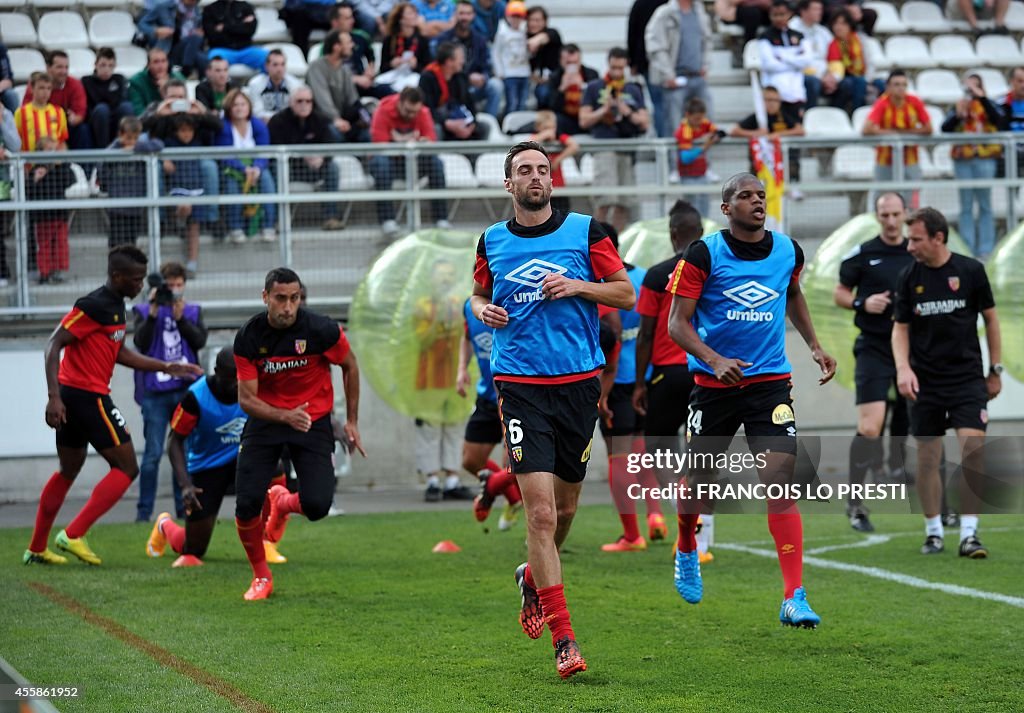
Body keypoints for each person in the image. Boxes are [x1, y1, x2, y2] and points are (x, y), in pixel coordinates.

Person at [470, 140, 635, 678]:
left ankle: (531, 578)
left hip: (578, 385)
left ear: (551, 180)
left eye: (543, 169)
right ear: (508, 184)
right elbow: (475, 295)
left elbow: (625, 294)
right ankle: (565, 641)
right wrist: (482, 308)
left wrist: (577, 286)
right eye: (525, 170)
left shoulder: (587, 232)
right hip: (519, 385)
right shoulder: (491, 240)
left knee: (564, 513)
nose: (536, 177)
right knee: (539, 513)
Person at [666, 172, 836, 626]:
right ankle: (685, 545)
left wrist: (815, 345)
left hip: (769, 387)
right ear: (726, 208)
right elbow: (676, 325)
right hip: (713, 389)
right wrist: (714, 358)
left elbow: (793, 293)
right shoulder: (703, 254)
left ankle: (794, 595)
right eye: (745, 196)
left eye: (761, 196)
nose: (756, 202)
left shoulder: (787, 251)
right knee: (698, 489)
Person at [23, 246, 203, 566]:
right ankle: (74, 534)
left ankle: (37, 547)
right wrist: (53, 396)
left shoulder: (118, 306)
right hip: (86, 397)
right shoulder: (93, 305)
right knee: (127, 467)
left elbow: (120, 353)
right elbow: (54, 344)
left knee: (68, 470)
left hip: (76, 397)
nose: (140, 285)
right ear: (117, 276)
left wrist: (167, 366)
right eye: (135, 280)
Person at [233, 267, 366, 600]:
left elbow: (350, 365)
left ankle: (282, 502)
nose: (288, 307)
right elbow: (246, 399)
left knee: (319, 505)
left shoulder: (321, 329)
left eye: (294, 299)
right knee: (247, 504)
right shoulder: (249, 336)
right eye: (280, 299)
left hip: (312, 421)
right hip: (266, 421)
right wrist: (283, 415)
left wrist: (351, 421)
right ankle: (261, 577)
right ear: (266, 297)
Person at [893, 207, 1002, 558]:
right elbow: (900, 328)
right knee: (927, 459)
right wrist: (903, 369)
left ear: (938, 238)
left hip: (968, 380)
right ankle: (933, 532)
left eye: (916, 239)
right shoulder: (909, 277)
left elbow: (992, 319)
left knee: (973, 451)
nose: (910, 246)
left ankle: (970, 534)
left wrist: (995, 369)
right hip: (925, 383)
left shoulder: (970, 271)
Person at [833, 192, 913, 533]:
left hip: (912, 351)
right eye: (885, 215)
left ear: (905, 215)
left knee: (921, 419)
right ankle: (854, 503)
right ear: (877, 216)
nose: (891, 221)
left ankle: (935, 503)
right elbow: (840, 293)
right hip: (874, 348)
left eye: (896, 214)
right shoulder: (864, 253)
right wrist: (862, 304)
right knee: (869, 426)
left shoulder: (917, 250)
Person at [633, 200, 708, 560]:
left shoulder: (655, 275)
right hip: (705, 373)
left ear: (672, 233)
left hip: (667, 373)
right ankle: (702, 534)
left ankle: (681, 498)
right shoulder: (714, 273)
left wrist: (638, 383)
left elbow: (646, 334)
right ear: (702, 233)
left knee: (658, 448)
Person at [597, 225, 668, 552]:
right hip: (649, 378)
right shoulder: (643, 278)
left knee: (619, 458)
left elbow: (608, 333)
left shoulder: (599, 285)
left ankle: (631, 534)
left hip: (616, 382)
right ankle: (656, 516)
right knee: (643, 453)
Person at [146, 348, 246, 567]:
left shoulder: (251, 386)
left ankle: (269, 541)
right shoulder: (196, 397)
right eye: (231, 378)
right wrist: (185, 485)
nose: (237, 384)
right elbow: (174, 441)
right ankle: (165, 525)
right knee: (193, 550)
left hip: (241, 458)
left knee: (274, 468)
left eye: (240, 377)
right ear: (217, 372)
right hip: (208, 466)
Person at [132, 261, 207, 522]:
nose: (174, 290)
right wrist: (154, 310)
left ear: (184, 285)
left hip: (184, 392)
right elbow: (140, 342)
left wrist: (181, 318)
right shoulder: (144, 309)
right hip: (155, 393)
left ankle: (183, 510)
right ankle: (143, 514)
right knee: (152, 454)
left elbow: (199, 341)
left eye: (178, 285)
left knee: (182, 454)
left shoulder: (193, 310)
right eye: (170, 285)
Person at [457, 296, 523, 529]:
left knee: (520, 464)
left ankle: (539, 538)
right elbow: (466, 337)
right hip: (487, 396)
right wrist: (462, 368)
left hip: (517, 396)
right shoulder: (469, 306)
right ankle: (513, 499)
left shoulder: (514, 304)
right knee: (471, 460)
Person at [579, 47, 650, 232]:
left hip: (627, 149)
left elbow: (644, 122)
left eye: (620, 68)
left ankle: (616, 243)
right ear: (608, 64)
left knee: (624, 201)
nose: (617, 72)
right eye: (614, 67)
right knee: (604, 199)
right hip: (604, 147)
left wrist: (627, 111)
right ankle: (596, 241)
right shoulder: (595, 87)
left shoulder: (633, 89)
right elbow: (584, 120)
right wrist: (604, 110)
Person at [368, 86, 451, 239]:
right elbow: (380, 146)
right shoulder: (383, 110)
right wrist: (409, 141)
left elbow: (429, 143)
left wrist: (400, 140)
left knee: (436, 163)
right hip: (389, 163)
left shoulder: (423, 112)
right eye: (407, 111)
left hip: (413, 161)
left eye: (415, 112)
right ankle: (388, 220)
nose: (411, 115)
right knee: (381, 163)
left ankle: (441, 219)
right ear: (399, 102)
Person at [942, 73, 1005, 260]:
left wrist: (982, 98)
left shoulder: (989, 105)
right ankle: (966, 249)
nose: (972, 92)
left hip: (985, 159)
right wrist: (959, 114)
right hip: (963, 160)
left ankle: (986, 249)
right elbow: (945, 127)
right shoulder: (959, 105)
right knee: (966, 206)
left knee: (985, 205)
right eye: (968, 88)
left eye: (975, 87)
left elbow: (999, 120)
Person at [268, 86, 347, 231]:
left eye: (308, 101)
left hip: (314, 168)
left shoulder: (320, 119)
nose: (304, 104)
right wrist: (302, 156)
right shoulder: (278, 121)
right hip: (289, 168)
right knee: (277, 169)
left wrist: (322, 158)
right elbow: (275, 149)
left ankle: (331, 217)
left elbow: (331, 145)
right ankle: (279, 219)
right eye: (299, 101)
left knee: (332, 168)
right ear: (291, 102)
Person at [215, 89, 278, 244]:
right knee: (232, 185)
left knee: (267, 180)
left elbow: (264, 151)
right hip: (232, 167)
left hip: (256, 167)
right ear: (229, 108)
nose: (239, 108)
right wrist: (243, 169)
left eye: (243, 104)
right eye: (235, 105)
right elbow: (223, 154)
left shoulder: (257, 125)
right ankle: (235, 227)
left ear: (249, 106)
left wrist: (256, 168)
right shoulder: (223, 126)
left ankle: (268, 226)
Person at [862, 69, 931, 208]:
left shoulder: (914, 102)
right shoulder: (882, 103)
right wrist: (895, 133)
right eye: (897, 84)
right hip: (885, 159)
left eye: (904, 85)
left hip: (911, 158)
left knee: (912, 198)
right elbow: (866, 129)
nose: (901, 88)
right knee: (881, 197)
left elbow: (928, 128)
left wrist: (901, 134)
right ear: (888, 87)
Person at [645, 0, 713, 139]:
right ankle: (674, 160)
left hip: (697, 76)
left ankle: (703, 159)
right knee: (674, 128)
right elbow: (655, 46)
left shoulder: (699, 12)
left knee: (707, 123)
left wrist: (705, 65)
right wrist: (668, 74)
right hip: (676, 79)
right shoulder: (664, 13)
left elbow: (707, 40)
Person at [97, 117, 165, 248]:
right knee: (116, 244)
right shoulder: (113, 149)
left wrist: (137, 147)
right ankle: (115, 267)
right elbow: (102, 164)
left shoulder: (141, 148)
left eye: (136, 138)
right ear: (120, 135)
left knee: (131, 243)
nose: (132, 142)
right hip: (116, 207)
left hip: (136, 207)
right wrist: (120, 149)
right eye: (129, 138)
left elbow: (159, 145)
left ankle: (129, 268)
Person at [436, 1, 503, 117]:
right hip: (452, 85)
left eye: (468, 14)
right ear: (455, 15)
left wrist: (483, 77)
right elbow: (439, 66)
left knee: (496, 85)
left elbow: (487, 66)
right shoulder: (444, 39)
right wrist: (467, 77)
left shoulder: (480, 40)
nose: (465, 17)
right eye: (461, 13)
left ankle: (489, 122)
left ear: (473, 16)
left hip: (475, 85)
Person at [26, 137, 75, 284]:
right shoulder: (35, 170)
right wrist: (35, 179)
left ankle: (58, 272)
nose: (53, 153)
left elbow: (70, 181)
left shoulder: (62, 168)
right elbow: (28, 191)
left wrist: (62, 165)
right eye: (49, 149)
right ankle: (45, 273)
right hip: (42, 217)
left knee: (61, 244)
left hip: (60, 215)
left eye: (55, 149)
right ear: (40, 152)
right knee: (44, 246)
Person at [307, 30, 370, 143]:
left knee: (367, 133)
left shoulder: (345, 70)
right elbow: (322, 100)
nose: (352, 45)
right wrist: (336, 119)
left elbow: (353, 100)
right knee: (334, 132)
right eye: (349, 42)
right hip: (322, 121)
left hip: (343, 120)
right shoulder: (316, 68)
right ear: (336, 47)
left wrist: (364, 117)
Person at [23, 51, 90, 151]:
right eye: (59, 67)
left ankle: (85, 165)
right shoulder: (36, 84)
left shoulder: (75, 84)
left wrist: (72, 118)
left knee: (83, 129)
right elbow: (26, 109)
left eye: (66, 67)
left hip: (64, 125)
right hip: (40, 125)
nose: (64, 71)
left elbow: (80, 114)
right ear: (48, 68)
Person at [757, 0, 814, 116]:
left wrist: (782, 57)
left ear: (790, 14)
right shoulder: (765, 37)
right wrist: (795, 60)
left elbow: (807, 60)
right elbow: (769, 65)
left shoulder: (799, 36)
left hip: (796, 86)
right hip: (775, 87)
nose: (778, 18)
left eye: (782, 14)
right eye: (775, 15)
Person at [420, 42, 486, 141]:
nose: (463, 61)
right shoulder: (428, 77)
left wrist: (471, 124)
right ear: (449, 61)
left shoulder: (460, 77)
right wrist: (447, 124)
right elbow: (427, 109)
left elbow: (469, 103)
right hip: (441, 122)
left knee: (484, 128)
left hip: (460, 122)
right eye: (461, 58)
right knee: (437, 129)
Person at [822, 10, 884, 114]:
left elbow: (870, 62)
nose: (838, 27)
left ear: (850, 25)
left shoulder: (860, 40)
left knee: (881, 84)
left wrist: (867, 79)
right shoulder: (831, 42)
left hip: (863, 75)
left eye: (843, 23)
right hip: (842, 78)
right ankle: (857, 113)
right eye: (836, 23)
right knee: (855, 82)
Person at [82, 48, 135, 154]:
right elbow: (87, 108)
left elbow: (122, 101)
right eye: (103, 65)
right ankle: (104, 153)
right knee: (102, 109)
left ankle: (125, 147)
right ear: (95, 64)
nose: (106, 69)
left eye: (111, 66)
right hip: (96, 119)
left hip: (115, 118)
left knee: (127, 107)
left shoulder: (119, 79)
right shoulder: (86, 81)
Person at [675, 97, 722, 216]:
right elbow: (685, 158)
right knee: (691, 207)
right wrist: (704, 146)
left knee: (704, 205)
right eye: (696, 119)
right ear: (687, 115)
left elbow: (719, 132)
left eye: (701, 118)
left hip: (702, 173)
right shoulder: (684, 130)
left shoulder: (704, 123)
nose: (699, 122)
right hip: (688, 176)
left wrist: (714, 136)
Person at [137, 0, 208, 77]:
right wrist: (156, 31)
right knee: (196, 43)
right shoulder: (163, 7)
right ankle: (186, 71)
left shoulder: (196, 10)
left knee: (201, 57)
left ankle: (196, 78)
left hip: (189, 49)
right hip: (168, 48)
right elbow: (142, 24)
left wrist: (201, 32)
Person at [528, 109, 578, 214]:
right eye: (546, 128)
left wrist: (558, 159)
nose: (550, 131)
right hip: (541, 189)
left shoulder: (559, 137)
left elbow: (574, 146)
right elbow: (527, 143)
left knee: (562, 216)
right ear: (538, 128)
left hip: (559, 188)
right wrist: (544, 135)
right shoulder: (535, 139)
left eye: (552, 128)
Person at [543, 44, 598, 135]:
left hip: (586, 117)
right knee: (554, 120)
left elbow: (597, 101)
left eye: (575, 63)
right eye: (568, 63)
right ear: (561, 61)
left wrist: (583, 86)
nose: (572, 66)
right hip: (566, 118)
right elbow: (552, 106)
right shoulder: (555, 77)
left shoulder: (591, 74)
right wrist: (562, 88)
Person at [203, 0, 269, 70]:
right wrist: (240, 25)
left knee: (269, 58)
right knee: (214, 60)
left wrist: (225, 27)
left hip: (246, 50)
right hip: (223, 51)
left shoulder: (246, 6)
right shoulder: (210, 9)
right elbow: (212, 35)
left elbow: (250, 30)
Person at [789, 0, 831, 110]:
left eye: (820, 9)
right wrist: (819, 76)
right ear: (803, 11)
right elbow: (795, 60)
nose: (819, 12)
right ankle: (810, 118)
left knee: (849, 83)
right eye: (815, 9)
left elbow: (834, 55)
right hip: (800, 74)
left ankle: (836, 119)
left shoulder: (823, 31)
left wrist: (831, 75)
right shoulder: (792, 28)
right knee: (812, 82)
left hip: (824, 74)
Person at [15, 73, 68, 154]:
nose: (45, 92)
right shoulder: (21, 112)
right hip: (29, 163)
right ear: (32, 89)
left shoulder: (59, 112)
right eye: (41, 88)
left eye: (49, 88)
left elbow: (62, 141)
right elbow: (16, 140)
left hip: (52, 164)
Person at [492, 1, 530, 115]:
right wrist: (499, 71)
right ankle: (509, 126)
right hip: (509, 73)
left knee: (522, 102)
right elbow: (496, 52)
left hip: (524, 71)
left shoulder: (526, 31)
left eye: (519, 17)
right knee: (512, 102)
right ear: (507, 16)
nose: (516, 20)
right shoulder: (502, 32)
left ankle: (520, 125)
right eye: (513, 16)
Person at [247, 50, 304, 122]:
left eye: (282, 64)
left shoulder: (295, 84)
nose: (279, 69)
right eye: (275, 65)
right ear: (266, 66)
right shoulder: (255, 84)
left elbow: (295, 110)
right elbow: (257, 113)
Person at [128, 48, 188, 116]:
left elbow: (185, 107)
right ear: (148, 65)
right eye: (156, 62)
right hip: (150, 120)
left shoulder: (178, 78)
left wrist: (165, 91)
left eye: (163, 61)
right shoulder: (137, 82)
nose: (161, 66)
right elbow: (139, 113)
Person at [525, 6, 562, 108]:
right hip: (531, 81)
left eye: (537, 20)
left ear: (545, 22)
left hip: (553, 81)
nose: (533, 23)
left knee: (544, 92)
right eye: (530, 20)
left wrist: (533, 42)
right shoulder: (522, 36)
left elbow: (545, 37)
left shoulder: (553, 34)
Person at [381, 3, 432, 74]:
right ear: (400, 19)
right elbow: (382, 68)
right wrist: (391, 64)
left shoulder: (422, 40)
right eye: (410, 13)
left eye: (415, 13)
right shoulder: (389, 40)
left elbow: (428, 69)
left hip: (415, 77)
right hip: (393, 76)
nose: (415, 15)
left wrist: (415, 66)